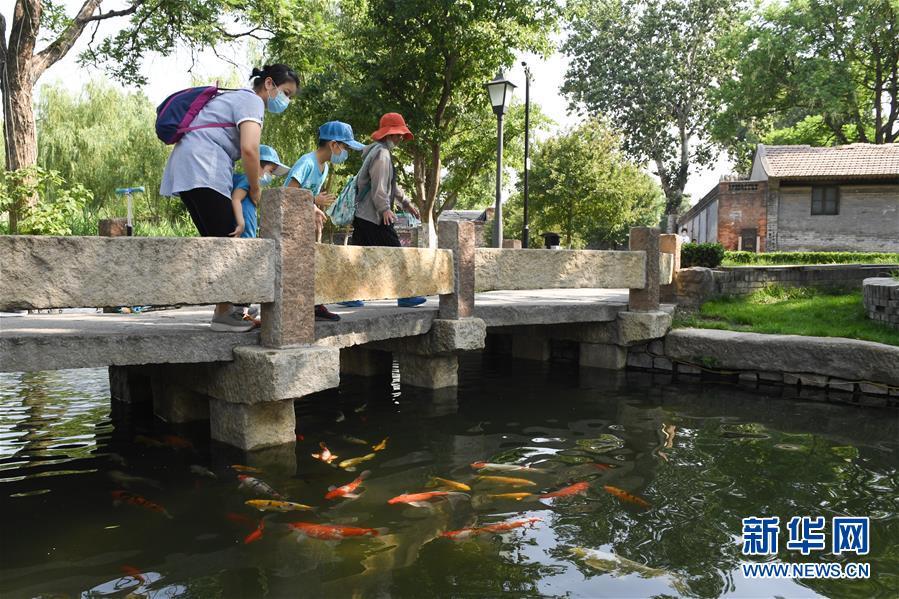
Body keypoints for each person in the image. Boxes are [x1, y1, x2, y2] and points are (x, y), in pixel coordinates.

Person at [159, 64, 299, 332]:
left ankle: (227, 310)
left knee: (220, 241)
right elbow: (249, 149)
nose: (286, 100)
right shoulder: (252, 101)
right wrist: (256, 189)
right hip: (204, 168)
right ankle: (227, 313)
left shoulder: (235, 98)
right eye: (286, 92)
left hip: (189, 168)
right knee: (230, 240)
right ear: (269, 84)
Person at [340, 113, 424, 309]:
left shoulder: (377, 151)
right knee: (396, 253)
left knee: (359, 256)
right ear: (390, 134)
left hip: (363, 215)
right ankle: (405, 295)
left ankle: (347, 294)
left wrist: (406, 203)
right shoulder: (382, 154)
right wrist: (385, 209)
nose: (400, 139)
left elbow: (390, 186)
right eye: (398, 135)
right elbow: (380, 186)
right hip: (374, 215)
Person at [285, 121, 366, 321]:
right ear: (333, 144)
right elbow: (288, 193)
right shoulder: (307, 162)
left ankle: (314, 305)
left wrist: (314, 211)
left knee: (312, 263)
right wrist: (313, 202)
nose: (345, 152)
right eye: (344, 147)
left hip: (303, 223)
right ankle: (301, 308)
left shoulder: (325, 167)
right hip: (287, 224)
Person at [232, 145, 290, 239]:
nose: (271, 176)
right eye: (271, 171)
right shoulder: (247, 179)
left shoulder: (253, 187)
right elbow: (236, 198)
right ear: (257, 164)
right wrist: (241, 223)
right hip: (243, 232)